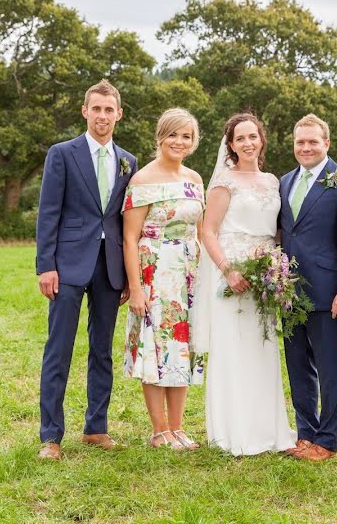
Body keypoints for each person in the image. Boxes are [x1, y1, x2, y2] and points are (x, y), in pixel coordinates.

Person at [35, 79, 137, 460]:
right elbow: (48, 213)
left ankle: (96, 427)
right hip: (67, 266)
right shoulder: (62, 154)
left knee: (102, 351)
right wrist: (46, 265)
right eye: (96, 109)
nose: (103, 116)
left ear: (119, 114)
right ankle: (51, 436)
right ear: (85, 111)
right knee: (58, 350)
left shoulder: (128, 160)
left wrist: (128, 274)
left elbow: (126, 221)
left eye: (109, 110)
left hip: (109, 268)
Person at [198, 113, 296, 456]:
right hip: (234, 276)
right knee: (234, 348)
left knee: (263, 348)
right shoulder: (225, 182)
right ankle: (233, 432)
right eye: (240, 138)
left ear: (262, 140)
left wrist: (276, 269)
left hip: (266, 278)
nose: (248, 143)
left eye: (253, 136)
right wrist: (228, 269)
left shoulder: (273, 181)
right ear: (231, 145)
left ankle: (268, 430)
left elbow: (277, 230)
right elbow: (207, 230)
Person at [278, 114, 337, 461]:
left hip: (329, 291)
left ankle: (327, 440)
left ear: (326, 143)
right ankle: (305, 432)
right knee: (298, 366)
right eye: (300, 142)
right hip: (287, 291)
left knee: (330, 369)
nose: (306, 147)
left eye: (313, 141)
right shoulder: (284, 182)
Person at [122, 108, 205, 450]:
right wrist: (136, 288)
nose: (179, 142)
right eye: (173, 135)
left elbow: (201, 230)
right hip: (154, 270)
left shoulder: (195, 179)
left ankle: (178, 427)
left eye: (186, 136)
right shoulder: (142, 180)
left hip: (188, 273)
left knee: (182, 347)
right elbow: (129, 238)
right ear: (160, 137)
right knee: (155, 348)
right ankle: (159, 431)